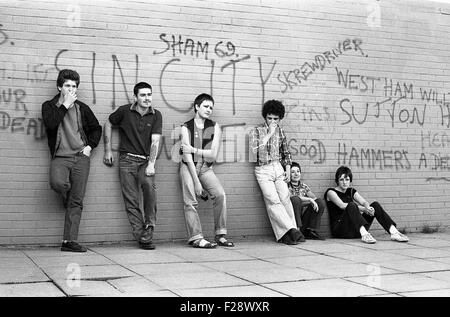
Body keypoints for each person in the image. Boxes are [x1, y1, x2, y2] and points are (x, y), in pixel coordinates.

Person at [42, 69, 102, 252]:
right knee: (57, 184)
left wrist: (89, 147)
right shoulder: (49, 106)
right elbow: (51, 124)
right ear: (59, 86)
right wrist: (65, 105)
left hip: (80, 158)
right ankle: (65, 197)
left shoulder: (82, 108)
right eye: (67, 85)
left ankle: (69, 242)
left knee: (77, 200)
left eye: (74, 86)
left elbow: (96, 128)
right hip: (60, 157)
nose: (70, 89)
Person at [103, 82, 162, 250]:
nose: (147, 98)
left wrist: (151, 164)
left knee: (149, 188)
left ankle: (149, 227)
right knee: (131, 199)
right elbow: (108, 124)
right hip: (126, 160)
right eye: (143, 95)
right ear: (135, 97)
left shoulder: (156, 115)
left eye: (149, 94)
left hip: (145, 161)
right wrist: (108, 150)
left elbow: (155, 141)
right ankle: (142, 236)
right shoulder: (124, 111)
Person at [179, 93, 234, 249]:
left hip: (206, 167)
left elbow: (213, 154)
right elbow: (187, 156)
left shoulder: (214, 126)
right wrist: (196, 182)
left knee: (220, 195)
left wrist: (193, 148)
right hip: (188, 166)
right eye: (205, 106)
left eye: (211, 107)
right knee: (190, 201)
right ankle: (196, 238)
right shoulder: (186, 127)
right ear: (197, 107)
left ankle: (220, 234)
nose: (209, 109)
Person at [249, 99, 303, 245]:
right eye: (269, 118)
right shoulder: (256, 131)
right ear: (265, 117)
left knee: (285, 198)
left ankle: (289, 234)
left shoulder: (281, 132)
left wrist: (287, 169)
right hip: (263, 169)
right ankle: (292, 230)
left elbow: (286, 152)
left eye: (275, 118)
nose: (272, 121)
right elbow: (253, 153)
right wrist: (269, 133)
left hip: (278, 167)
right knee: (273, 201)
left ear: (280, 118)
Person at [325, 166, 409, 244]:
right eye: (341, 179)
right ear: (337, 181)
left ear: (350, 180)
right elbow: (342, 205)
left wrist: (368, 208)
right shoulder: (331, 192)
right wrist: (363, 209)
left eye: (347, 179)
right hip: (341, 230)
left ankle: (394, 232)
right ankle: (365, 234)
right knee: (351, 205)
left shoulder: (351, 191)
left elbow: (364, 202)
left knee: (375, 205)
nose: (344, 182)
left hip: (355, 229)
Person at [288, 162, 325, 240]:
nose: (296, 174)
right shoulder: (286, 186)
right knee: (296, 200)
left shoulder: (304, 186)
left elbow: (314, 199)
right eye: (292, 172)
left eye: (298, 171)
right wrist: (309, 200)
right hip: (292, 221)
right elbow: (292, 199)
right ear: (288, 174)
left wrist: (311, 200)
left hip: (303, 219)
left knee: (320, 202)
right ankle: (297, 231)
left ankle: (310, 231)